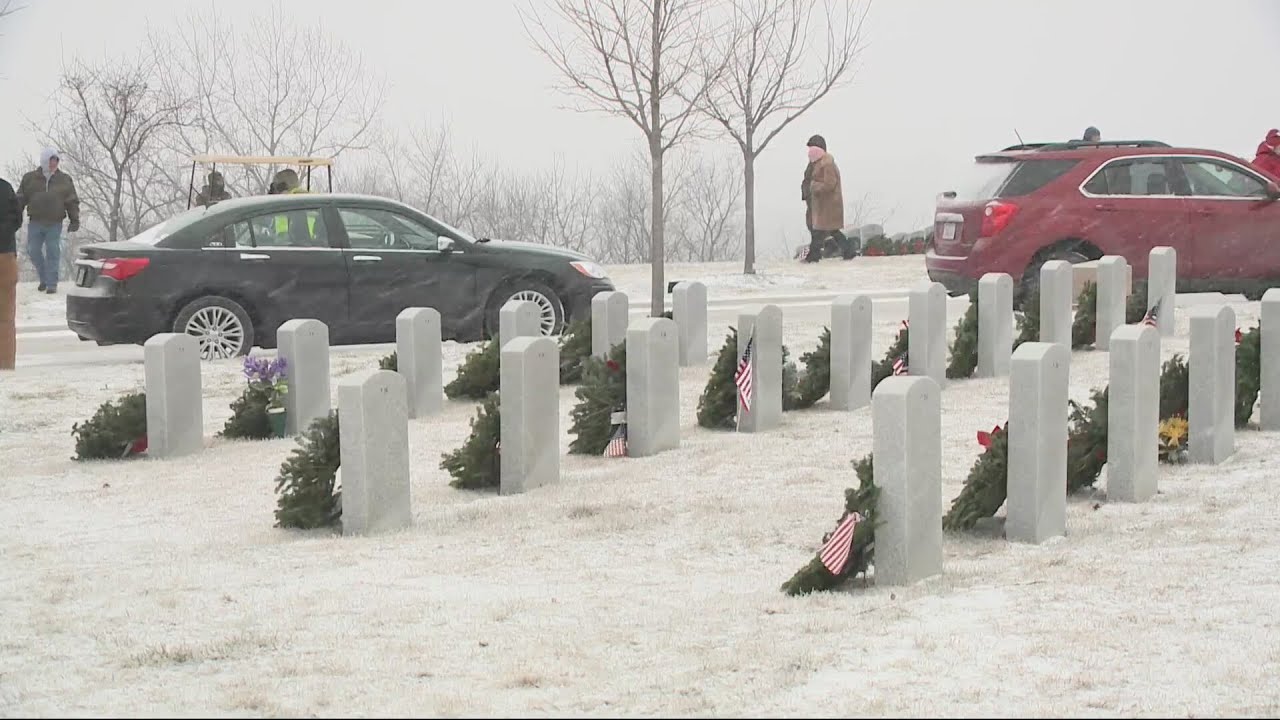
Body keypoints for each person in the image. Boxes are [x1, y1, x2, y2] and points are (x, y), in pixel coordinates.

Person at [17, 148, 80, 294]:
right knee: (33, 251)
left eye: (56, 161)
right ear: (44, 160)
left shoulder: (64, 179)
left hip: (54, 222)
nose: (54, 164)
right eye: (51, 161)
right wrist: (16, 217)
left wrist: (74, 219)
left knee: (53, 252)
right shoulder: (29, 178)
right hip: (35, 221)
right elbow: (20, 199)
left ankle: (52, 284)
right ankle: (44, 278)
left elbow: (72, 200)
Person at [803, 134, 849, 263]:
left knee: (821, 231)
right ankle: (848, 250)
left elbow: (830, 184)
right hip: (822, 204)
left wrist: (814, 186)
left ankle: (813, 256)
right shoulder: (816, 164)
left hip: (828, 204)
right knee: (829, 230)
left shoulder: (827, 164)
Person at [0, 175, 20, 370]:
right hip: (5, 255)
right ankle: (5, 363)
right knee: (5, 317)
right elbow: (17, 218)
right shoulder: (5, 188)